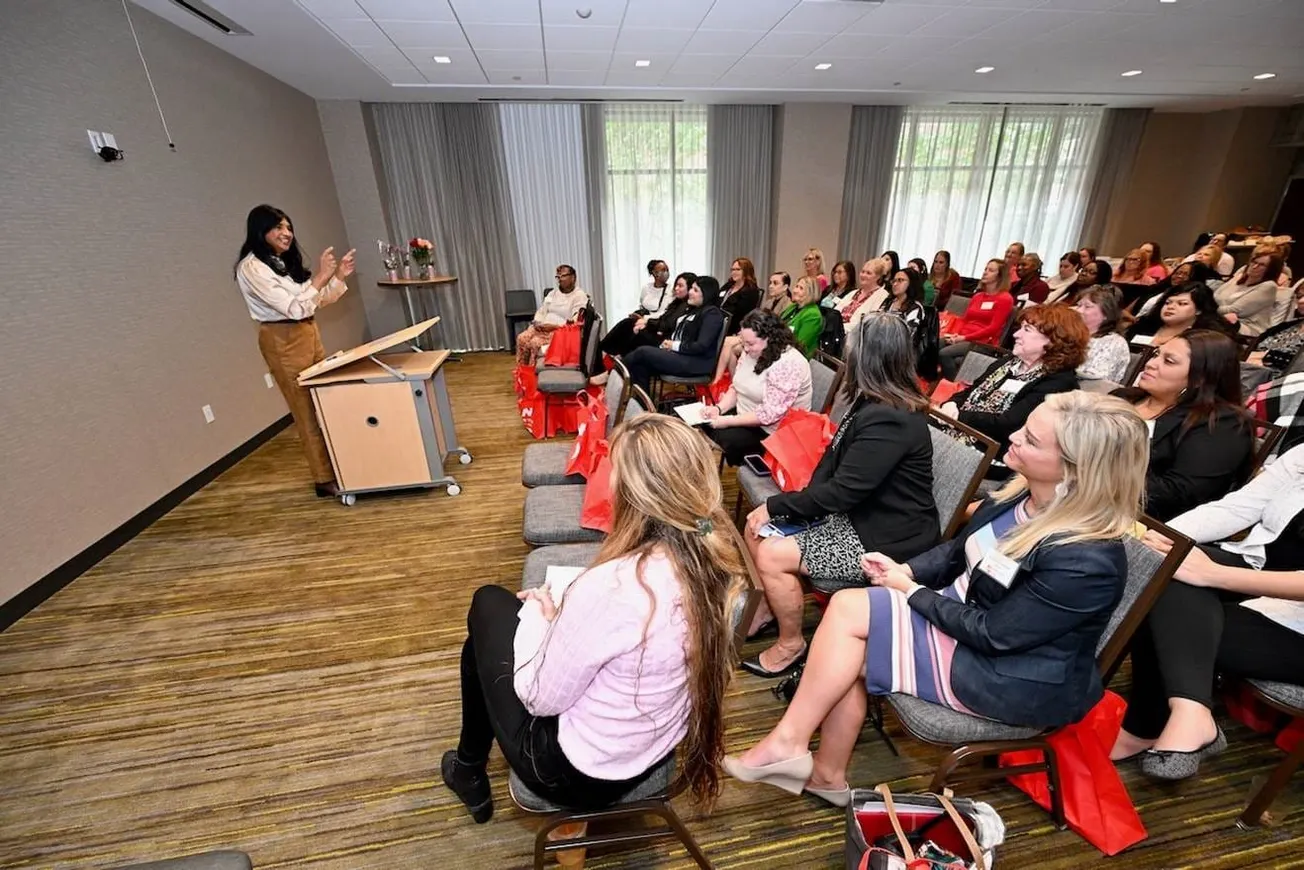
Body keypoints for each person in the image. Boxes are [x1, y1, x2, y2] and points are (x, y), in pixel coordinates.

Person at [725, 392, 1149, 806]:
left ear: (1075, 471)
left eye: (1032, 440)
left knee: (849, 617)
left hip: (1008, 676)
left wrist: (911, 591)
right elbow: (956, 550)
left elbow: (995, 635)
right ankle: (822, 770)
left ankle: (794, 747)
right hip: (967, 620)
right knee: (846, 636)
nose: (1014, 436)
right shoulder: (1027, 495)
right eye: (1025, 427)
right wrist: (907, 570)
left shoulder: (1086, 559)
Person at [440, 413, 745, 822]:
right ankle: (466, 766)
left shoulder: (615, 587)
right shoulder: (716, 563)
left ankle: (467, 767)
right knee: (483, 638)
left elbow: (539, 699)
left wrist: (540, 619)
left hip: (578, 773)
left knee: (487, 603)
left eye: (612, 470)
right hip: (652, 745)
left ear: (633, 492)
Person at [739, 313, 939, 679]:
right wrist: (792, 508)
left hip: (883, 536)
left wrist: (777, 505)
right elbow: (833, 469)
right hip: (859, 514)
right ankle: (772, 605)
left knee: (769, 549)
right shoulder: (873, 402)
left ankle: (790, 643)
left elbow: (845, 491)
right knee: (757, 529)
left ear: (868, 358)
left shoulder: (891, 416)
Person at [1113, 445, 1304, 780]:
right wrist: (1165, 538)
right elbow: (1238, 507)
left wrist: (1212, 574)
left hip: (1297, 623)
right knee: (1166, 566)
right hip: (1261, 570)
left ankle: (1149, 725)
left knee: (1178, 625)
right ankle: (1187, 712)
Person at [235, 204, 354, 498]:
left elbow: (313, 301)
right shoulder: (252, 268)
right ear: (260, 230)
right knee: (307, 411)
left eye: (289, 228)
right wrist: (322, 277)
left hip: (306, 332)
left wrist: (337, 276)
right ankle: (324, 479)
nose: (286, 233)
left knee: (324, 402)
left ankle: (342, 466)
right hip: (282, 339)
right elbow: (293, 307)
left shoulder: (280, 262)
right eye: (279, 227)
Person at [1113, 329, 1253, 521]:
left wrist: (1095, 478)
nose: (1150, 364)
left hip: (1142, 519)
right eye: (1156, 355)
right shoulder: (1122, 397)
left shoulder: (1221, 423)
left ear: (1200, 378)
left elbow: (1181, 492)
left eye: (1168, 361)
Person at [936, 305, 1087, 467]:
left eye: (1027, 330)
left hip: (993, 451)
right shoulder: (1008, 362)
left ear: (1054, 340)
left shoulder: (1058, 382)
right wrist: (952, 403)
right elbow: (971, 391)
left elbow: (1008, 424)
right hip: (958, 429)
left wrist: (957, 416)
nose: (1016, 334)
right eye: (1020, 328)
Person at [702, 310, 813, 466]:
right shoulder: (753, 351)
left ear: (770, 338)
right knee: (704, 423)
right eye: (743, 342)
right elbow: (737, 387)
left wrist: (727, 420)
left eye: (750, 343)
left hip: (773, 433)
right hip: (746, 416)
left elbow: (768, 415)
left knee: (720, 436)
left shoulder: (789, 364)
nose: (745, 349)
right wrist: (718, 409)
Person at [624, 276, 726, 392]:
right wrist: (668, 344)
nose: (690, 292)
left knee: (643, 351)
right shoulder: (696, 309)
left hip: (696, 363)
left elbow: (701, 346)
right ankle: (642, 406)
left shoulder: (712, 314)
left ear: (707, 294)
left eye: (695, 290)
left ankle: (613, 373)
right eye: (691, 288)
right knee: (640, 365)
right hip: (682, 355)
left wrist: (674, 345)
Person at [937, 258, 1015, 381]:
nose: (985, 272)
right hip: (962, 337)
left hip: (982, 342)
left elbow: (993, 328)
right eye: (985, 269)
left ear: (1000, 276)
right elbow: (964, 320)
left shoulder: (1005, 299)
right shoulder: (978, 296)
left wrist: (964, 338)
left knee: (944, 353)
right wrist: (955, 335)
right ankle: (930, 383)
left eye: (991, 270)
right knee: (934, 344)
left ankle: (953, 386)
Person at [603, 271, 696, 358]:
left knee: (634, 332)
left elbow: (667, 325)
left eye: (680, 286)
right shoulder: (677, 303)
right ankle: (605, 351)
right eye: (676, 285)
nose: (676, 288)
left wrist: (647, 323)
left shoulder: (685, 305)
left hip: (664, 340)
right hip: (659, 332)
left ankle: (615, 356)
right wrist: (646, 323)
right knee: (628, 323)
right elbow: (663, 318)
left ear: (689, 288)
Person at [515, 265, 589, 366]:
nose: (559, 280)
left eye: (563, 276)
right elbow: (542, 310)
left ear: (573, 277)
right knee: (521, 338)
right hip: (542, 327)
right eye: (558, 277)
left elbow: (575, 321)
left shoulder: (579, 295)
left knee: (534, 343)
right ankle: (523, 371)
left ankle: (534, 374)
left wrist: (553, 327)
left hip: (559, 331)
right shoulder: (553, 293)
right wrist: (537, 322)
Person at [599, 260, 670, 357]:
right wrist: (638, 315)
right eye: (662, 270)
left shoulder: (671, 290)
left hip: (655, 323)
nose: (666, 272)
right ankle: (602, 350)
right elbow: (642, 305)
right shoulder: (647, 288)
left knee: (632, 329)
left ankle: (620, 356)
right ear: (654, 273)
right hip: (642, 318)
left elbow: (665, 313)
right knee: (626, 323)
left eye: (667, 269)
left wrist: (644, 318)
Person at [1127, 282, 1230, 347]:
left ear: (1199, 310)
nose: (1171, 307)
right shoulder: (1144, 326)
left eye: (1182, 304)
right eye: (1168, 303)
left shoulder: (1204, 339)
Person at [1213, 249, 1284, 337]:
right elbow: (1215, 296)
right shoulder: (1238, 277)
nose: (1254, 266)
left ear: (1271, 269)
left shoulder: (1268, 286)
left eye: (1261, 265)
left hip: (1247, 328)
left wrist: (1208, 309)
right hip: (1220, 320)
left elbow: (1236, 310)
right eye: (1254, 262)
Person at [1075, 288, 1131, 384]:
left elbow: (1097, 379)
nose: (1079, 310)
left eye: (1087, 306)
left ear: (1106, 314)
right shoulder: (1071, 334)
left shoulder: (1115, 343)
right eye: (1079, 305)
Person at [836, 260, 891, 349]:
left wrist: (840, 328)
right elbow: (836, 311)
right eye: (862, 272)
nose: (863, 275)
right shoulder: (854, 292)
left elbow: (867, 322)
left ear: (878, 277)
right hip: (838, 334)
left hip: (857, 342)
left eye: (868, 273)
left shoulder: (882, 296)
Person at [781, 276, 825, 357]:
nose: (795, 291)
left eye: (801, 288)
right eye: (796, 286)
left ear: (811, 293)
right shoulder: (793, 307)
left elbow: (800, 345)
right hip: (782, 351)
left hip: (796, 358)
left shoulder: (813, 315)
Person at [878, 267, 926, 341]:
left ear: (911, 283)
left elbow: (908, 334)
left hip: (900, 347)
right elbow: (877, 321)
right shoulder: (888, 302)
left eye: (900, 280)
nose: (895, 284)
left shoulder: (915, 307)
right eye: (894, 281)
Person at [720, 258, 761, 335]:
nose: (734, 272)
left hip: (734, 329)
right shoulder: (728, 285)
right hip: (720, 323)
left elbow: (740, 315)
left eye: (738, 269)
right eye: (732, 270)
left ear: (746, 271)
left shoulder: (751, 291)